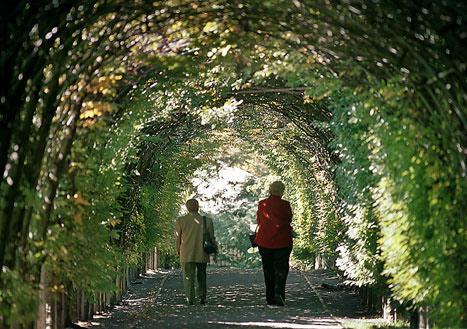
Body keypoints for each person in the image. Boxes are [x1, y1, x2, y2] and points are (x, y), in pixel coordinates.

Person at [254, 181, 293, 306]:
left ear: (270, 190)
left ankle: (269, 297)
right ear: (282, 191)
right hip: (282, 240)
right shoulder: (285, 205)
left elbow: (259, 220)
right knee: (281, 269)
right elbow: (288, 219)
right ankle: (279, 294)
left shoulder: (262, 204)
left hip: (265, 241)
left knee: (268, 269)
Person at [175, 198, 217, 305]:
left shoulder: (181, 220)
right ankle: (202, 296)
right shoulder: (207, 220)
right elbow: (212, 238)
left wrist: (178, 250)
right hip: (202, 252)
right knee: (202, 275)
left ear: (187, 208)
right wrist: (215, 252)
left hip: (186, 253)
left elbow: (178, 237)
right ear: (198, 207)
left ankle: (190, 298)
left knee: (188, 276)